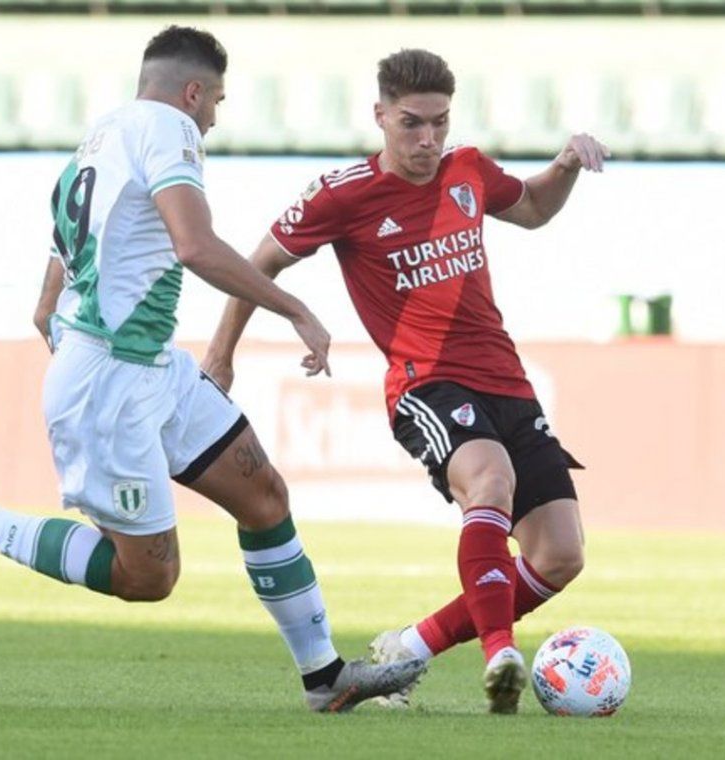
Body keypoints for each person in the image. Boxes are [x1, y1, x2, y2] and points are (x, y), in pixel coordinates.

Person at [0, 26, 423, 713]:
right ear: (193, 92)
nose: (214, 119)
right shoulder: (170, 129)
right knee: (148, 578)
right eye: (216, 102)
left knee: (264, 497)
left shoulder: (100, 138)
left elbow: (45, 303)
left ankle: (326, 680)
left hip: (148, 366)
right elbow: (194, 245)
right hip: (112, 379)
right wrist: (294, 308)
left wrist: (87, 340)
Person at [203, 48, 609, 714]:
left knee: (560, 555)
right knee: (491, 481)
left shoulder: (468, 170)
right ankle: (500, 654)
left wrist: (564, 167)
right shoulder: (344, 194)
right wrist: (222, 355)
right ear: (381, 116)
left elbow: (534, 208)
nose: (428, 139)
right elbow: (259, 262)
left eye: (439, 122)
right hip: (426, 385)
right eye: (412, 123)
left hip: (507, 381)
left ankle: (409, 649)